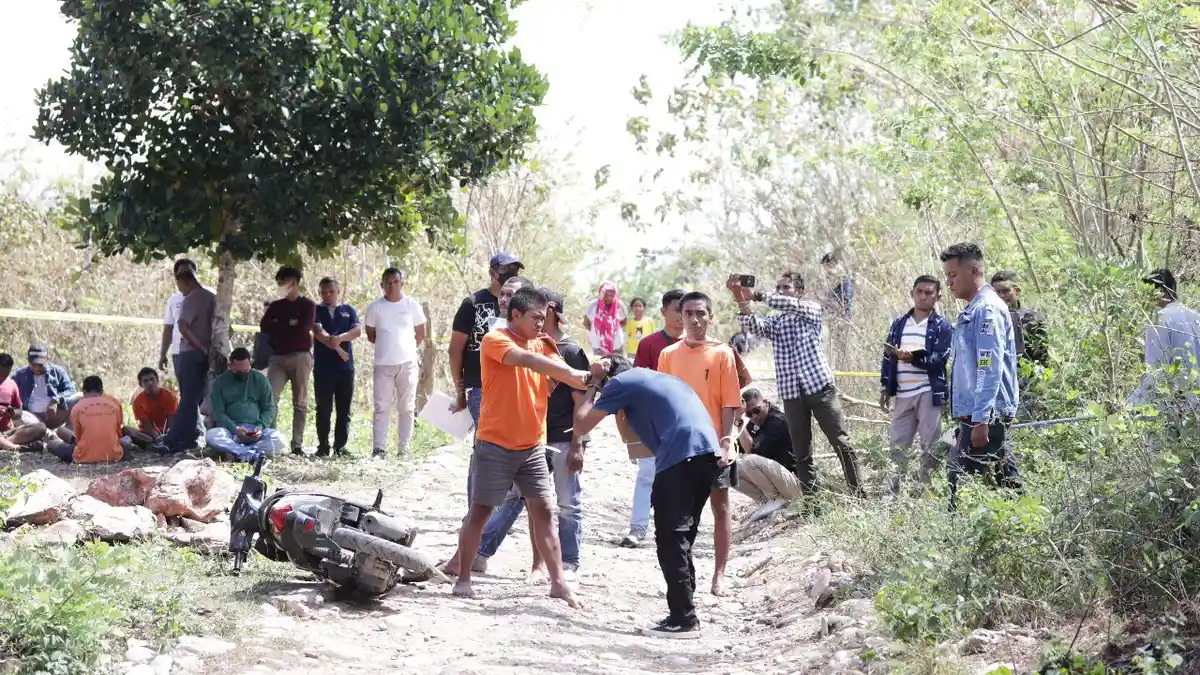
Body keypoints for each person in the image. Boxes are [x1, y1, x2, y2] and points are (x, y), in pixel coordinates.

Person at [449, 287, 590, 607]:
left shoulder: (545, 344)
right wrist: (570, 373)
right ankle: (464, 577)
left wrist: (593, 377)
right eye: (535, 318)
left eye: (544, 317)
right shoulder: (496, 340)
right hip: (495, 443)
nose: (542, 323)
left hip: (532, 446)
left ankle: (558, 582)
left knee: (545, 510)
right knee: (481, 510)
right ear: (515, 316)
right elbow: (530, 361)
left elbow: (563, 380)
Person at [572, 356, 723, 638]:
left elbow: (581, 425)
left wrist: (593, 382)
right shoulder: (655, 378)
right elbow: (631, 436)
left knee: (669, 537)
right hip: (708, 453)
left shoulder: (619, 383)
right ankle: (684, 613)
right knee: (683, 536)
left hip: (681, 455)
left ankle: (684, 620)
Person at [730, 272, 864, 502]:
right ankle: (812, 503)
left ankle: (858, 493)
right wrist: (739, 297)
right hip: (792, 395)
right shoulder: (776, 324)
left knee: (841, 442)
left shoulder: (811, 310)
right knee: (802, 453)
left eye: (786, 287)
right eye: (778, 287)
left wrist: (759, 295)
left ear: (799, 292)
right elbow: (750, 324)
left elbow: (786, 304)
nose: (781, 292)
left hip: (820, 389)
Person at [656, 291, 738, 597]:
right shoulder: (668, 355)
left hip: (714, 446)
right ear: (680, 316)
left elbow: (730, 401)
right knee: (680, 513)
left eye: (701, 313)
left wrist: (727, 442)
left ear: (710, 316)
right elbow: (662, 400)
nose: (694, 318)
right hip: (679, 446)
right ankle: (684, 574)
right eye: (688, 313)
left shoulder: (722, 353)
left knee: (721, 506)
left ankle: (720, 575)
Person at [940, 243, 1021, 507]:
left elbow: (989, 366)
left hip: (986, 413)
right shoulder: (975, 308)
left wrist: (981, 418)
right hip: (977, 412)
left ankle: (955, 536)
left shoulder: (987, 310)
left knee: (959, 480)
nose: (948, 282)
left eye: (953, 275)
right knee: (1003, 477)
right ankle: (1028, 527)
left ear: (973, 270)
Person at [623, 288, 686, 548]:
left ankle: (675, 529)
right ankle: (638, 527)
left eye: (686, 311)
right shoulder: (649, 344)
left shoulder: (697, 345)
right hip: (652, 420)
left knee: (682, 475)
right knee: (647, 472)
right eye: (676, 310)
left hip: (685, 421)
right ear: (663, 312)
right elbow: (639, 383)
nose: (682, 317)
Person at [879, 275, 953, 492]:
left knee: (930, 443)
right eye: (919, 291)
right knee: (897, 443)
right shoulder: (899, 324)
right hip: (903, 391)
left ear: (938, 296)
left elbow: (940, 360)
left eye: (929, 293)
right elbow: (887, 356)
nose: (923, 296)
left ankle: (926, 489)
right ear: (912, 293)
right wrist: (885, 386)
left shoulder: (941, 326)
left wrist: (914, 358)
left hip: (928, 391)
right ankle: (892, 492)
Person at [450, 252, 524, 423]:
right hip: (481, 388)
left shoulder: (523, 304)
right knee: (486, 443)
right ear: (492, 273)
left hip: (516, 385)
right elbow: (455, 350)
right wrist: (460, 392)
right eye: (506, 268)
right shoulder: (473, 303)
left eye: (515, 268)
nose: (511, 272)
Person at [364, 268, 426, 458]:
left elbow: (420, 333)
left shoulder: (412, 305)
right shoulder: (375, 307)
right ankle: (379, 448)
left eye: (395, 282)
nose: (392, 286)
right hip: (383, 364)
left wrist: (404, 348)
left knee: (406, 407)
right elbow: (371, 334)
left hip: (407, 363)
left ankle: (403, 447)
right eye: (388, 283)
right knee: (382, 406)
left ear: (402, 282)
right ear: (382, 285)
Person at [261, 266, 316, 455]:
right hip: (277, 358)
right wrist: (288, 322)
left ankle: (297, 444)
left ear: (293, 283)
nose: (280, 286)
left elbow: (303, 327)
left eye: (282, 283)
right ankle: (271, 440)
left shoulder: (308, 305)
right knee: (270, 398)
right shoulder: (276, 306)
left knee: (300, 401)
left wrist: (280, 323)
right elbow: (265, 326)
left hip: (300, 356)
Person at [163, 267, 215, 453]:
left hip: (191, 352)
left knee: (189, 399)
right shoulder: (211, 296)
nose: (180, 291)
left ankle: (175, 438)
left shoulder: (192, 298)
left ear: (185, 281)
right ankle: (185, 436)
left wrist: (201, 347)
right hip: (201, 352)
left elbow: (182, 326)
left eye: (180, 286)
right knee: (194, 398)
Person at [1132, 268, 1200, 409]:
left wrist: (1130, 405)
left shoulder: (1160, 319)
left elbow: (1156, 372)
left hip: (1176, 408)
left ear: (1161, 292)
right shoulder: (1196, 317)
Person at [204, 348, 286, 462]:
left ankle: (240, 452)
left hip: (255, 430)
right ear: (230, 366)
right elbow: (219, 413)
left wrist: (260, 427)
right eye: (238, 371)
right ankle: (250, 454)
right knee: (212, 436)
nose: (243, 374)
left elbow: (269, 408)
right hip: (230, 431)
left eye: (246, 371)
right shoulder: (220, 383)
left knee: (279, 439)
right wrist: (234, 428)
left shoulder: (260, 379)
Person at [313, 277, 361, 458]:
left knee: (344, 410)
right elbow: (319, 333)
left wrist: (340, 338)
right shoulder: (316, 311)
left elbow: (357, 331)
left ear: (338, 291)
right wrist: (340, 350)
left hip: (345, 369)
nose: (327, 295)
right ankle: (323, 446)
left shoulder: (348, 310)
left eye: (331, 291)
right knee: (323, 409)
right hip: (323, 368)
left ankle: (340, 447)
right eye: (324, 292)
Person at [735, 388, 800, 519]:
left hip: (793, 481)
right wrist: (739, 422)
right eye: (748, 414)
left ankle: (776, 499)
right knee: (730, 469)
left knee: (750, 461)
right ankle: (765, 501)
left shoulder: (777, 421)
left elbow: (751, 453)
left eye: (756, 410)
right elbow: (740, 450)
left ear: (765, 402)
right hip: (778, 480)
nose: (754, 416)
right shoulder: (755, 422)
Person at [50, 375, 127, 464]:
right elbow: (118, 432)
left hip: (84, 456)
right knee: (127, 440)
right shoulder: (114, 404)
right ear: (101, 391)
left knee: (51, 445)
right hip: (113, 454)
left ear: (83, 391)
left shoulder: (77, 408)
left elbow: (78, 438)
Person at [11, 344, 80, 438]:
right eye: (33, 364)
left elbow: (71, 390)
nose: (37, 368)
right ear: (28, 360)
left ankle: (68, 432)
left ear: (48, 359)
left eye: (40, 365)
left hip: (56, 416)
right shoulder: (20, 375)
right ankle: (49, 434)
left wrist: (56, 400)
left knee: (80, 397)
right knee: (18, 415)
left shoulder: (57, 372)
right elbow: (9, 392)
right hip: (32, 418)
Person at [990, 270, 1049, 368]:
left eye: (1005, 291)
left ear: (1017, 292)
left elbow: (1042, 359)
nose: (1001, 296)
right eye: (997, 292)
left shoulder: (1033, 320)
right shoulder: (987, 319)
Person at [159, 259, 205, 371]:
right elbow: (168, 329)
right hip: (180, 353)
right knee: (186, 387)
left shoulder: (208, 296)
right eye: (181, 274)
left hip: (203, 351)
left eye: (189, 273)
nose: (185, 277)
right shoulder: (174, 300)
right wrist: (163, 354)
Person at [0, 353, 48, 451]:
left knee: (41, 427)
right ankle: (13, 447)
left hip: (7, 431)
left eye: (7, 373)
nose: (3, 376)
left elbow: (19, 411)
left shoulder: (12, 384)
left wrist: (13, 412)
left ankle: (5, 443)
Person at [125, 367, 178, 450]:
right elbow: (146, 425)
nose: (150, 383)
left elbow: (171, 421)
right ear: (140, 384)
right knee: (126, 429)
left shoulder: (170, 396)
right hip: (149, 435)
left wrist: (167, 436)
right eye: (145, 381)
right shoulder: (138, 401)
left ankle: (162, 444)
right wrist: (157, 438)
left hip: (169, 432)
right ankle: (155, 445)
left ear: (157, 380)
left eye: (152, 379)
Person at [584, 281, 627, 356]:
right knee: (600, 366)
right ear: (601, 294)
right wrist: (598, 330)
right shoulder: (593, 305)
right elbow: (586, 323)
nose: (609, 298)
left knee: (619, 366)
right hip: (598, 345)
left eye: (611, 296)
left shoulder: (619, 305)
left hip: (617, 345)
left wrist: (611, 329)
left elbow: (624, 322)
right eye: (606, 295)